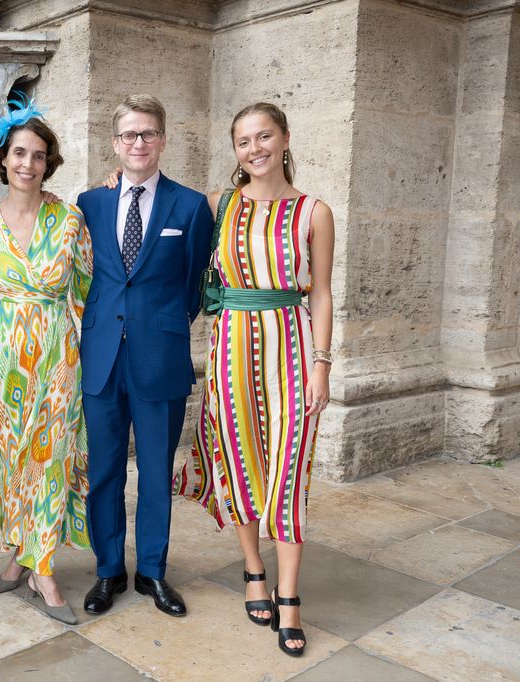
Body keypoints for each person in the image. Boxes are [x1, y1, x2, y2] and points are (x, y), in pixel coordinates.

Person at [173, 102, 334, 657]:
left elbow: (322, 294)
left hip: (291, 349)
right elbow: (161, 212)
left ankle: (289, 596)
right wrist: (113, 178)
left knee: (290, 467)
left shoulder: (314, 211)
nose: (255, 148)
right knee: (238, 462)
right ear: (235, 150)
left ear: (285, 138)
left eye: (264, 136)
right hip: (232, 350)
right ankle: (253, 569)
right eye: (244, 141)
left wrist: (321, 364)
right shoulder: (219, 205)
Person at [77, 94, 214, 618]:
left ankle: (152, 571)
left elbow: (195, 282)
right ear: (115, 144)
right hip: (102, 356)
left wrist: (162, 327)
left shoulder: (189, 205)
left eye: (148, 133)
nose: (139, 142)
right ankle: (108, 569)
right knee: (105, 470)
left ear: (163, 140)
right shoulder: (90, 204)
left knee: (156, 471)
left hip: (161, 357)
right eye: (130, 134)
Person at [0, 100, 92, 624]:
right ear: (4, 158)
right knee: (8, 461)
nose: (28, 164)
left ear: (48, 162)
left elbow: (88, 290)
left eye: (38, 155)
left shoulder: (70, 220)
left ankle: (43, 568)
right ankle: (18, 552)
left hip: (57, 360)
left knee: (50, 461)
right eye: (19, 152)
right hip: (0, 363)